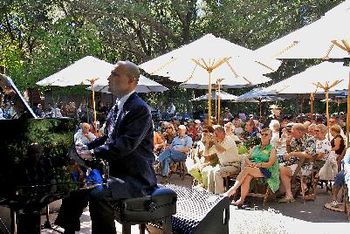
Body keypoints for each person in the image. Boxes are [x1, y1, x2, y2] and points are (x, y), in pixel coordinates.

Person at [57, 61, 157, 234]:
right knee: (77, 183)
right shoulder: (117, 106)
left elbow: (125, 144)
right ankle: (68, 229)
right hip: (115, 174)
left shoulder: (140, 109)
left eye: (114, 74)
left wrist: (93, 153)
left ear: (131, 80)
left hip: (135, 178)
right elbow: (106, 138)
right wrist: (84, 148)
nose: (109, 78)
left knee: (98, 194)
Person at [223, 128, 279, 206]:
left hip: (266, 170)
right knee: (247, 176)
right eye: (262, 134)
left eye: (266, 135)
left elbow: (270, 164)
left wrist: (258, 165)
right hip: (253, 168)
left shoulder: (272, 149)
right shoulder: (256, 147)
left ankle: (233, 189)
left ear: (270, 137)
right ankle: (241, 200)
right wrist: (250, 163)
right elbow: (246, 157)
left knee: (247, 170)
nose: (263, 136)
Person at [278, 123, 316, 203]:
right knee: (277, 165)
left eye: (293, 132)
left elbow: (308, 154)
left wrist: (293, 154)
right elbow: (290, 152)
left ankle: (289, 195)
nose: (291, 133)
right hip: (295, 163)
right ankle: (287, 190)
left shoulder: (310, 139)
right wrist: (288, 144)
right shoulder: (296, 139)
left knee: (283, 170)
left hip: (305, 165)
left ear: (299, 132)